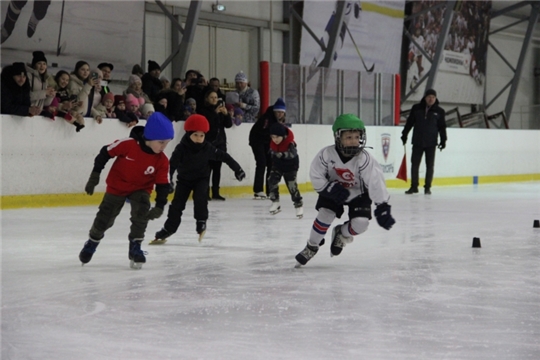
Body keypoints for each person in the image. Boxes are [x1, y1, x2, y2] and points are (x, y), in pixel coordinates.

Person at [295, 114, 396, 267]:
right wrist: (328, 188)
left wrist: (382, 205)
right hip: (333, 191)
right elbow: (316, 174)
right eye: (349, 137)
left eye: (357, 136)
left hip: (358, 194)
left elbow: (376, 182)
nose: (354, 141)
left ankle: (341, 234)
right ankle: (312, 245)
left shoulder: (364, 159)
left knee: (361, 223)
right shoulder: (326, 154)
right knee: (325, 215)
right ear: (338, 137)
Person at [78, 112, 175, 269]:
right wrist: (95, 175)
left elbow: (163, 184)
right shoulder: (128, 145)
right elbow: (105, 152)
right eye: (161, 142)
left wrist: (159, 206)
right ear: (149, 137)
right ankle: (92, 241)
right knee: (105, 217)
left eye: (167, 143)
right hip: (117, 186)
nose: (164, 147)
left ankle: (135, 247)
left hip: (141, 189)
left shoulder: (162, 160)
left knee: (141, 214)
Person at [151, 114, 246, 245]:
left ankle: (201, 222)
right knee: (176, 206)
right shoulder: (181, 148)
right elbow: (171, 165)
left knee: (201, 199)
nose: (199, 139)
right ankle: (169, 228)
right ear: (188, 133)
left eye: (202, 136)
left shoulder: (208, 148)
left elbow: (225, 157)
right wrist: (169, 181)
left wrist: (238, 169)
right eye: (195, 135)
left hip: (201, 179)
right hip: (184, 180)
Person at [401, 88, 447, 195]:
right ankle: (414, 186)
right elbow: (409, 123)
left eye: (433, 97)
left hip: (431, 143)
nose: (431, 99)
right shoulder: (416, 108)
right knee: (415, 164)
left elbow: (442, 127)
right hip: (417, 141)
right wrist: (404, 135)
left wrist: (443, 140)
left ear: (435, 98)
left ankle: (427, 187)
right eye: (429, 97)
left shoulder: (439, 111)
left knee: (429, 165)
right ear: (425, 98)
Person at [198, 90, 233, 200]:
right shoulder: (203, 111)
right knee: (207, 169)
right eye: (212, 97)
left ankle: (216, 192)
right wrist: (215, 113)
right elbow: (207, 126)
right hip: (208, 143)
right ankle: (205, 192)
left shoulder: (221, 111)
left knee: (217, 169)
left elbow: (228, 125)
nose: (214, 99)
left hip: (220, 143)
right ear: (207, 99)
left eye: (216, 97)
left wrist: (226, 114)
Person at [248, 97, 286, 199]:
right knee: (261, 163)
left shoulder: (279, 121)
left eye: (281, 112)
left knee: (271, 164)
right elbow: (263, 132)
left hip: (267, 142)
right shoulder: (267, 118)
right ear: (274, 111)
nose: (279, 114)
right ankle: (258, 190)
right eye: (278, 112)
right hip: (257, 140)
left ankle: (270, 190)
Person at [268, 122, 303, 218]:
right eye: (273, 137)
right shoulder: (272, 143)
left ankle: (298, 205)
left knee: (292, 186)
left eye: (277, 137)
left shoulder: (290, 142)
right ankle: (275, 202)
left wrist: (283, 154)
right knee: (271, 180)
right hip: (278, 165)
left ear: (283, 136)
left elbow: (293, 154)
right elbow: (271, 152)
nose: (275, 140)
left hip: (291, 165)